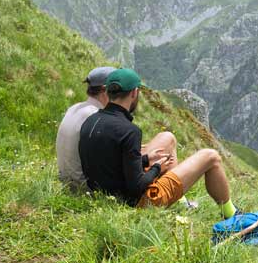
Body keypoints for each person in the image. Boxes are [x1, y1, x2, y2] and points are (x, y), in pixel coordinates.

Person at [79, 68, 238, 217]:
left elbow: (110, 161)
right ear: (134, 93)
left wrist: (146, 159)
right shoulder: (129, 131)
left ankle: (180, 201)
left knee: (167, 138)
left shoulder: (91, 120)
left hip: (105, 193)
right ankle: (231, 215)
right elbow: (137, 187)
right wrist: (156, 168)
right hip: (137, 202)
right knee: (211, 156)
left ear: (108, 91)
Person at [56, 66, 116, 188]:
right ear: (105, 90)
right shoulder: (97, 117)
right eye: (116, 89)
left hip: (66, 179)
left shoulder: (74, 107)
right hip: (84, 187)